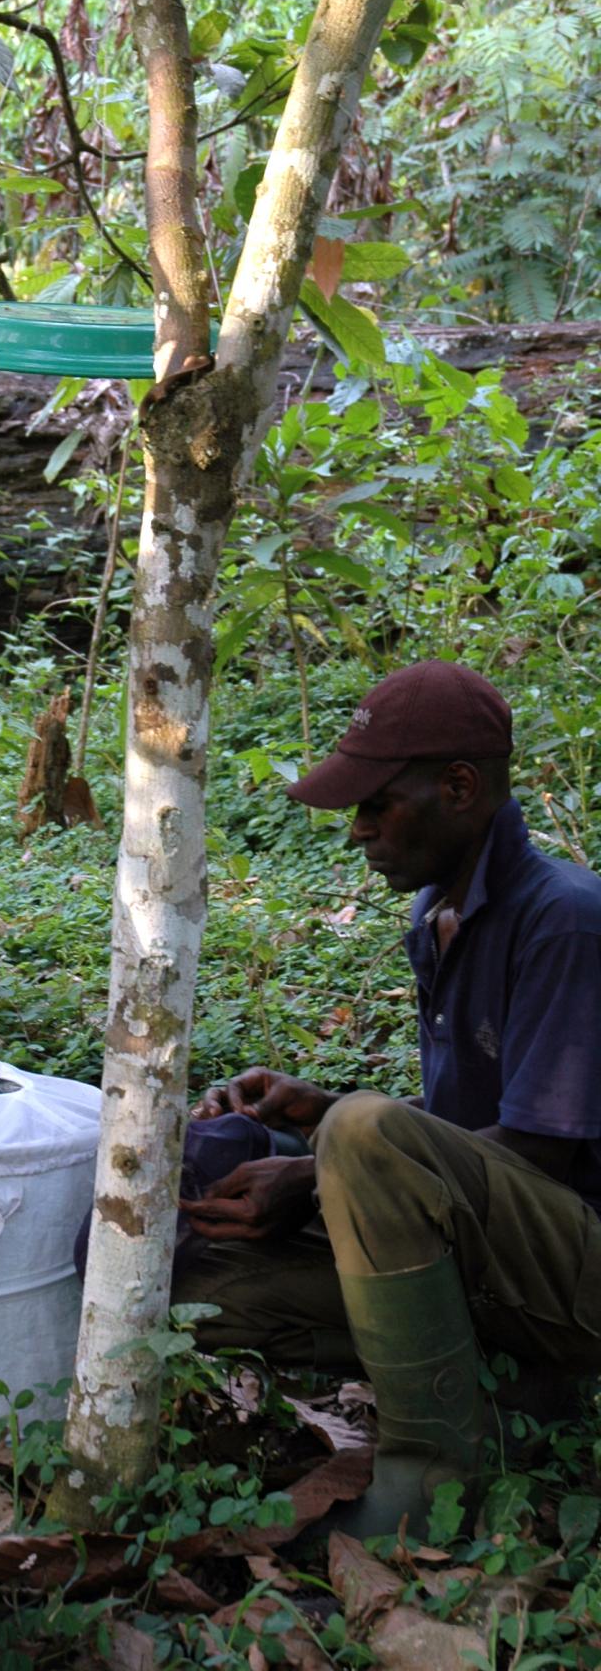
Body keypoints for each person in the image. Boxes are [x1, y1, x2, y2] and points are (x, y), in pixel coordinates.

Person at [175, 660, 601, 1541]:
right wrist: (315, 1111)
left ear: (460, 787)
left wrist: (334, 1153)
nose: (360, 829)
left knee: (363, 1130)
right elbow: (464, 1136)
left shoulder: (567, 918)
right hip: (494, 1257)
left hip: (578, 1265)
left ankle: (431, 1482)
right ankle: (510, 1383)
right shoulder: (433, 916)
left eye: (378, 804)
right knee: (202, 1286)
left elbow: (541, 1155)